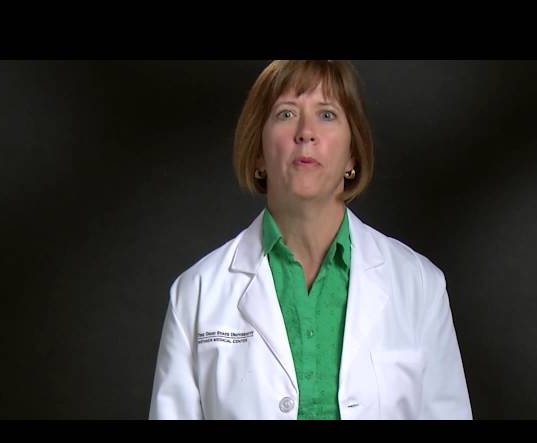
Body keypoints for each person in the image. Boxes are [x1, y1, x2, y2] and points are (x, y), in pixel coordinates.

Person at [149, 60, 472, 420]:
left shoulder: (420, 285)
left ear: (352, 154)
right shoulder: (196, 294)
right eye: (286, 114)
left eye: (327, 114)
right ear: (259, 154)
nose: (306, 132)